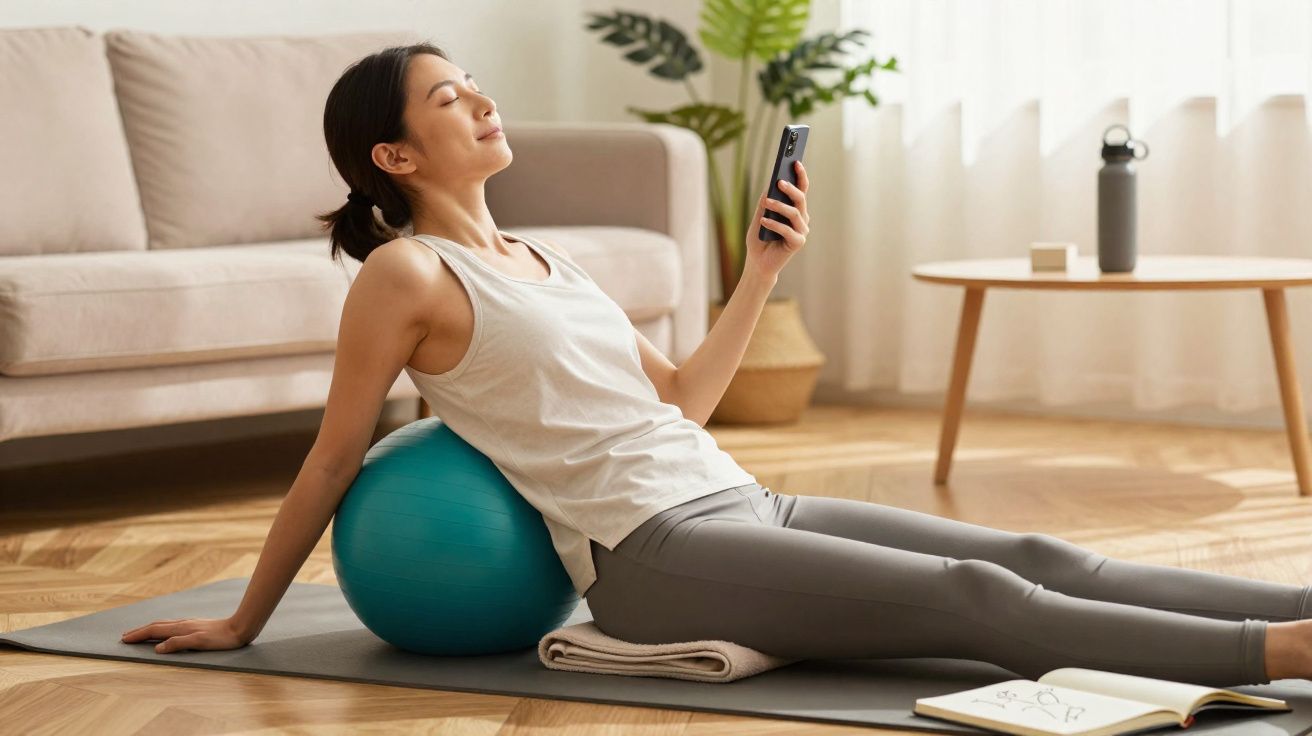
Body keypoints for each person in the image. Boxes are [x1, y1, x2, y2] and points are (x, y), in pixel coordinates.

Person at [120, 42, 1312, 689]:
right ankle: (1278, 657)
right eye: (448, 97)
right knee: (977, 604)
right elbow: (335, 457)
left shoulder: (548, 256)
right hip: (655, 557)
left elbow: (682, 399)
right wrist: (243, 619)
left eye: (472, 82)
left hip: (737, 494)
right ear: (394, 152)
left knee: (1028, 552)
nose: (480, 99)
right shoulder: (408, 276)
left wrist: (759, 275)